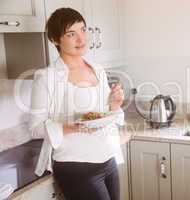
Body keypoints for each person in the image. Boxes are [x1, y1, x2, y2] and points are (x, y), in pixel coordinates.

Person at [29, 7, 124, 200]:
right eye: (71, 34)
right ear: (55, 40)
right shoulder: (46, 77)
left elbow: (106, 114)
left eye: (83, 30)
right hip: (77, 166)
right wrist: (69, 127)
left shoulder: (98, 70)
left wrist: (114, 104)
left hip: (107, 157)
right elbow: (34, 128)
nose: (81, 39)